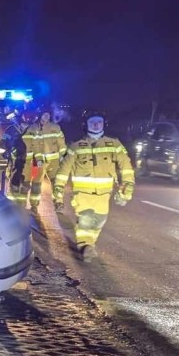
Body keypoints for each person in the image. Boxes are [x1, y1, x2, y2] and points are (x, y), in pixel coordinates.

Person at [53, 110, 134, 261]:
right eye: (92, 122)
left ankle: (89, 244)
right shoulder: (76, 147)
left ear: (104, 124)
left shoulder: (114, 144)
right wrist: (58, 193)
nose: (96, 125)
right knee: (85, 220)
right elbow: (63, 171)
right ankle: (86, 246)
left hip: (104, 194)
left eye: (99, 122)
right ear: (86, 125)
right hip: (82, 194)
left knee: (99, 221)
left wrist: (128, 185)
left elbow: (126, 165)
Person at [22, 108, 68, 211]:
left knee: (56, 182)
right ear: (40, 115)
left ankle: (58, 202)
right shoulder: (33, 128)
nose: (46, 117)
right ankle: (34, 204)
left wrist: (62, 155)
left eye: (48, 115)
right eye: (44, 114)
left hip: (54, 161)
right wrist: (37, 158)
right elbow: (30, 144)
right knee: (36, 183)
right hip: (39, 161)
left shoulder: (55, 127)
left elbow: (62, 143)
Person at [0, 111, 28, 207]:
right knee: (14, 181)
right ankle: (11, 205)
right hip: (14, 160)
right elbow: (2, 142)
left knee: (25, 183)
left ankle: (21, 205)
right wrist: (7, 150)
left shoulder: (31, 129)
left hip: (27, 160)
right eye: (23, 122)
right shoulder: (10, 129)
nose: (25, 125)